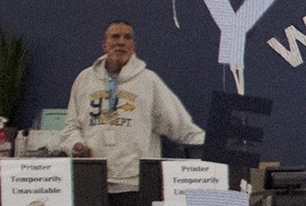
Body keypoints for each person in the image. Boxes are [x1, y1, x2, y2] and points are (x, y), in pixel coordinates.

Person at [57, 20, 204, 196]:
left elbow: (179, 125)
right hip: (92, 181)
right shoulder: (84, 79)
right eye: (115, 37)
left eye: (127, 37)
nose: (121, 42)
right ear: (105, 45)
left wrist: (215, 150)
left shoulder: (148, 81)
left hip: (135, 184)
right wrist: (75, 145)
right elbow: (71, 126)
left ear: (133, 46)